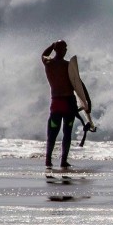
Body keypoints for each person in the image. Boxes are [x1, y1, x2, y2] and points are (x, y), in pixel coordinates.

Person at [42, 40, 77, 168]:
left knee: (52, 133)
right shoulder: (68, 66)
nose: (66, 50)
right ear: (60, 49)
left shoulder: (48, 63)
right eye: (65, 48)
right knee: (67, 133)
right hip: (68, 103)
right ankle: (63, 161)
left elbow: (43, 55)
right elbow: (77, 84)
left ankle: (48, 159)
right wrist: (86, 102)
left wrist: (52, 45)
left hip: (56, 103)